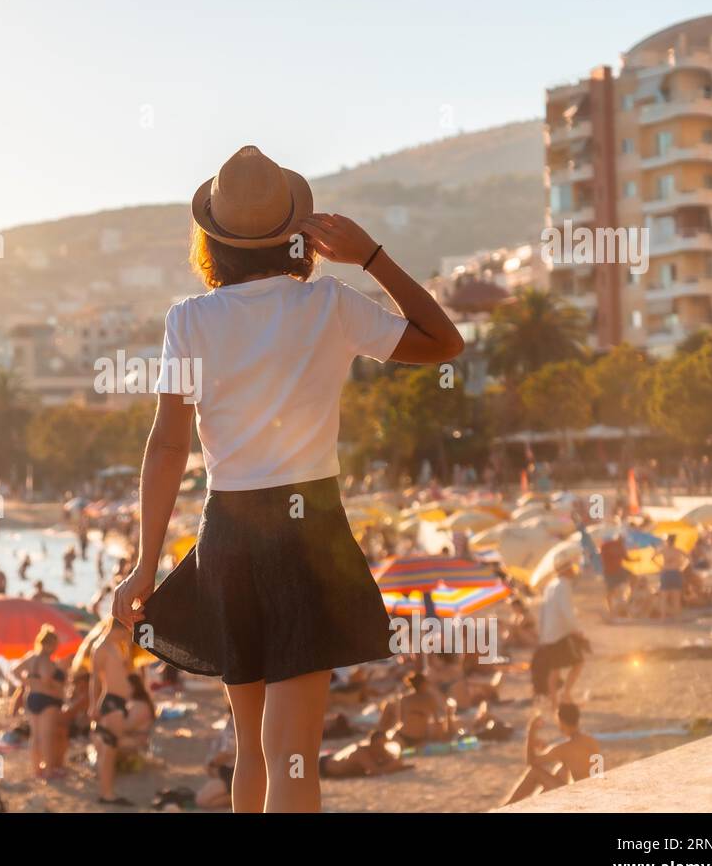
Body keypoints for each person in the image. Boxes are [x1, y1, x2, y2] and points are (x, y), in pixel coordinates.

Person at [112, 146, 462, 813]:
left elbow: (167, 447)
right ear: (296, 232)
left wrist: (143, 565)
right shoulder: (330, 303)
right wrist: (373, 257)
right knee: (293, 753)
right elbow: (444, 342)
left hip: (227, 537)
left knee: (253, 750)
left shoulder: (189, 320)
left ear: (213, 238)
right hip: (310, 530)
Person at [504, 704, 602, 805]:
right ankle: (534, 803)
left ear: (561, 722)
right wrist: (547, 748)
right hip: (594, 792)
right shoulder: (591, 741)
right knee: (561, 769)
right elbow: (580, 762)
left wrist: (531, 731)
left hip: (579, 798)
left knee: (535, 772)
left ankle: (506, 807)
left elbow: (531, 761)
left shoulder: (563, 748)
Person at [89, 618, 136, 806]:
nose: (127, 636)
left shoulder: (114, 647)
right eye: (126, 632)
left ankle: (107, 792)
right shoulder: (101, 647)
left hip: (118, 702)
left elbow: (124, 672)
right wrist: (93, 705)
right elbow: (95, 679)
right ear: (119, 629)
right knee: (109, 749)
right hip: (111, 702)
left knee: (109, 749)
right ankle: (107, 794)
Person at [12, 625, 67, 778]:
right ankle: (49, 771)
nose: (56, 648)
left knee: (35, 736)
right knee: (47, 737)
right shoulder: (47, 661)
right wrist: (54, 687)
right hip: (48, 701)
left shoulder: (31, 658)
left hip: (32, 698)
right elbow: (47, 680)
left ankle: (37, 770)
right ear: (49, 644)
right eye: (55, 644)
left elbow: (15, 670)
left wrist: (28, 681)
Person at [531, 563, 586, 704]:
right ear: (567, 570)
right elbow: (566, 610)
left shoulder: (551, 585)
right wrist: (576, 630)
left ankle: (555, 702)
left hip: (549, 634)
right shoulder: (563, 585)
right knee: (578, 662)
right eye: (572, 567)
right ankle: (565, 694)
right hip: (560, 633)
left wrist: (542, 633)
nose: (575, 569)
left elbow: (544, 610)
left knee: (555, 669)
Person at [654, 534, 689, 621]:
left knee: (665, 596)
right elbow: (688, 558)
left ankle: (663, 617)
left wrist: (660, 566)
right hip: (675, 572)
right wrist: (682, 567)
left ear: (668, 541)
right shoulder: (677, 550)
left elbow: (653, 558)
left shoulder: (664, 550)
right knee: (675, 597)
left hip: (667, 572)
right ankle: (676, 617)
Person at [599, 532, 632, 616]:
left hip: (616, 570)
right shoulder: (607, 546)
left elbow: (626, 558)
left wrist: (635, 559)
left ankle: (619, 607)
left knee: (616, 590)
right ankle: (612, 609)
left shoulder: (618, 546)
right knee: (611, 591)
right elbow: (626, 558)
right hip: (610, 571)